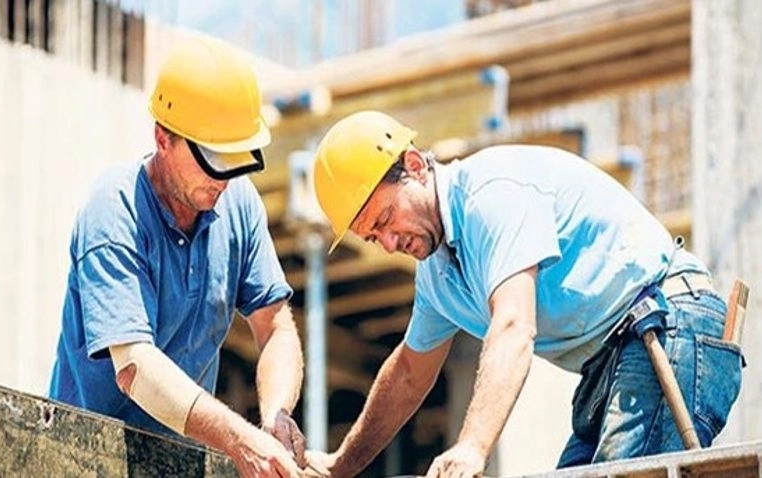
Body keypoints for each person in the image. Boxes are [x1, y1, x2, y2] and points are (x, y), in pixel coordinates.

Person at [304, 110, 743, 477]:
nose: (389, 243)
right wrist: (342, 466)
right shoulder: (437, 276)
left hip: (669, 324)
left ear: (415, 166)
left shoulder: (491, 194)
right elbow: (407, 374)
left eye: (385, 219)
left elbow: (514, 325)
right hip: (612, 361)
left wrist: (472, 446)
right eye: (373, 237)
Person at [48, 37, 307, 478]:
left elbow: (275, 326)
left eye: (237, 158)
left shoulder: (239, 204)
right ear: (162, 138)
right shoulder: (114, 211)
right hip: (84, 460)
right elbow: (134, 368)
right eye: (213, 158)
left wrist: (276, 416)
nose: (224, 178)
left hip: (179, 463)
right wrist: (242, 440)